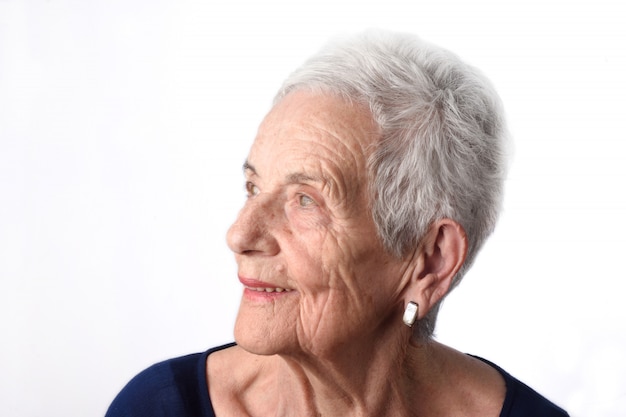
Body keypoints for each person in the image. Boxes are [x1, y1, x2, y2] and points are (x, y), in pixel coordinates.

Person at [105, 30, 569, 417]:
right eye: (253, 187)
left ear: (430, 260)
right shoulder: (157, 407)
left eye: (305, 201)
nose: (239, 235)